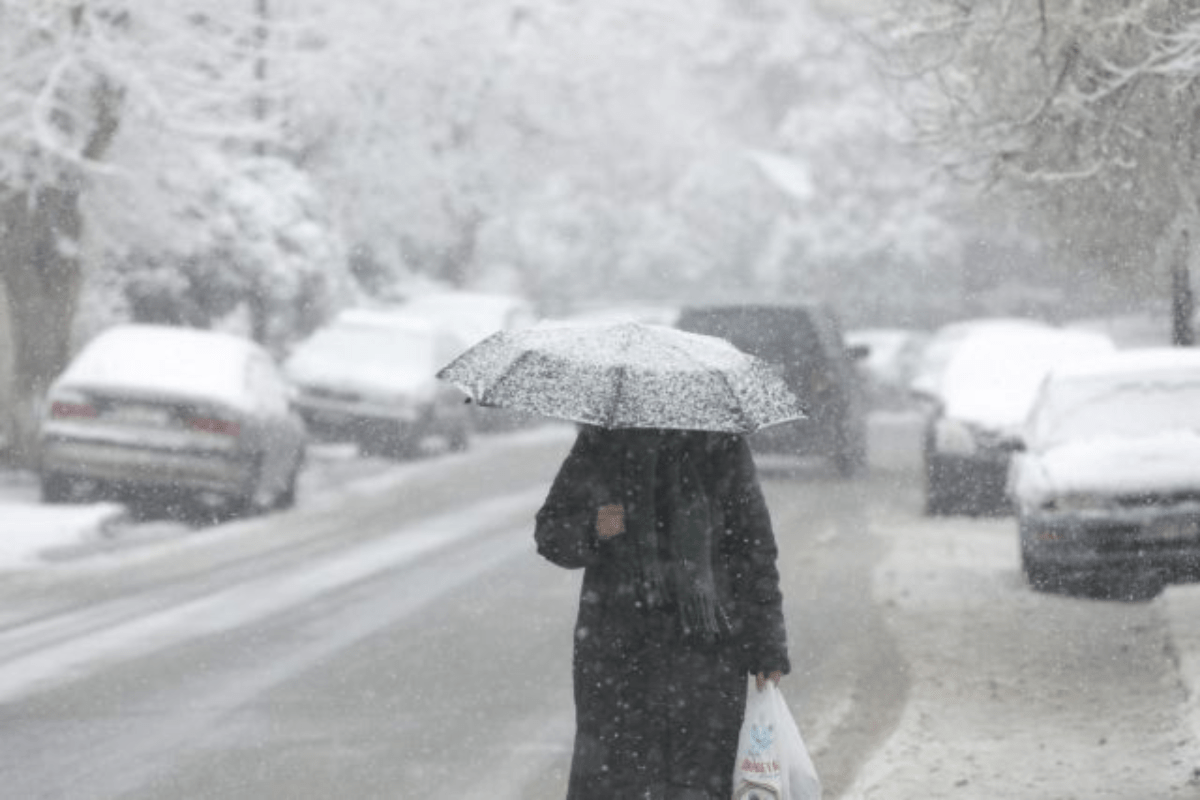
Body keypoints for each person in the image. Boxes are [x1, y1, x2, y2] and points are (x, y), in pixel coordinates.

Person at [535, 425, 791, 800]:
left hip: (707, 655)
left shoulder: (721, 443)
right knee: (618, 782)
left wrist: (768, 644)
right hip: (618, 656)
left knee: (697, 781)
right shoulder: (603, 443)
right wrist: (600, 526)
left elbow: (754, 550)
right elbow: (552, 533)